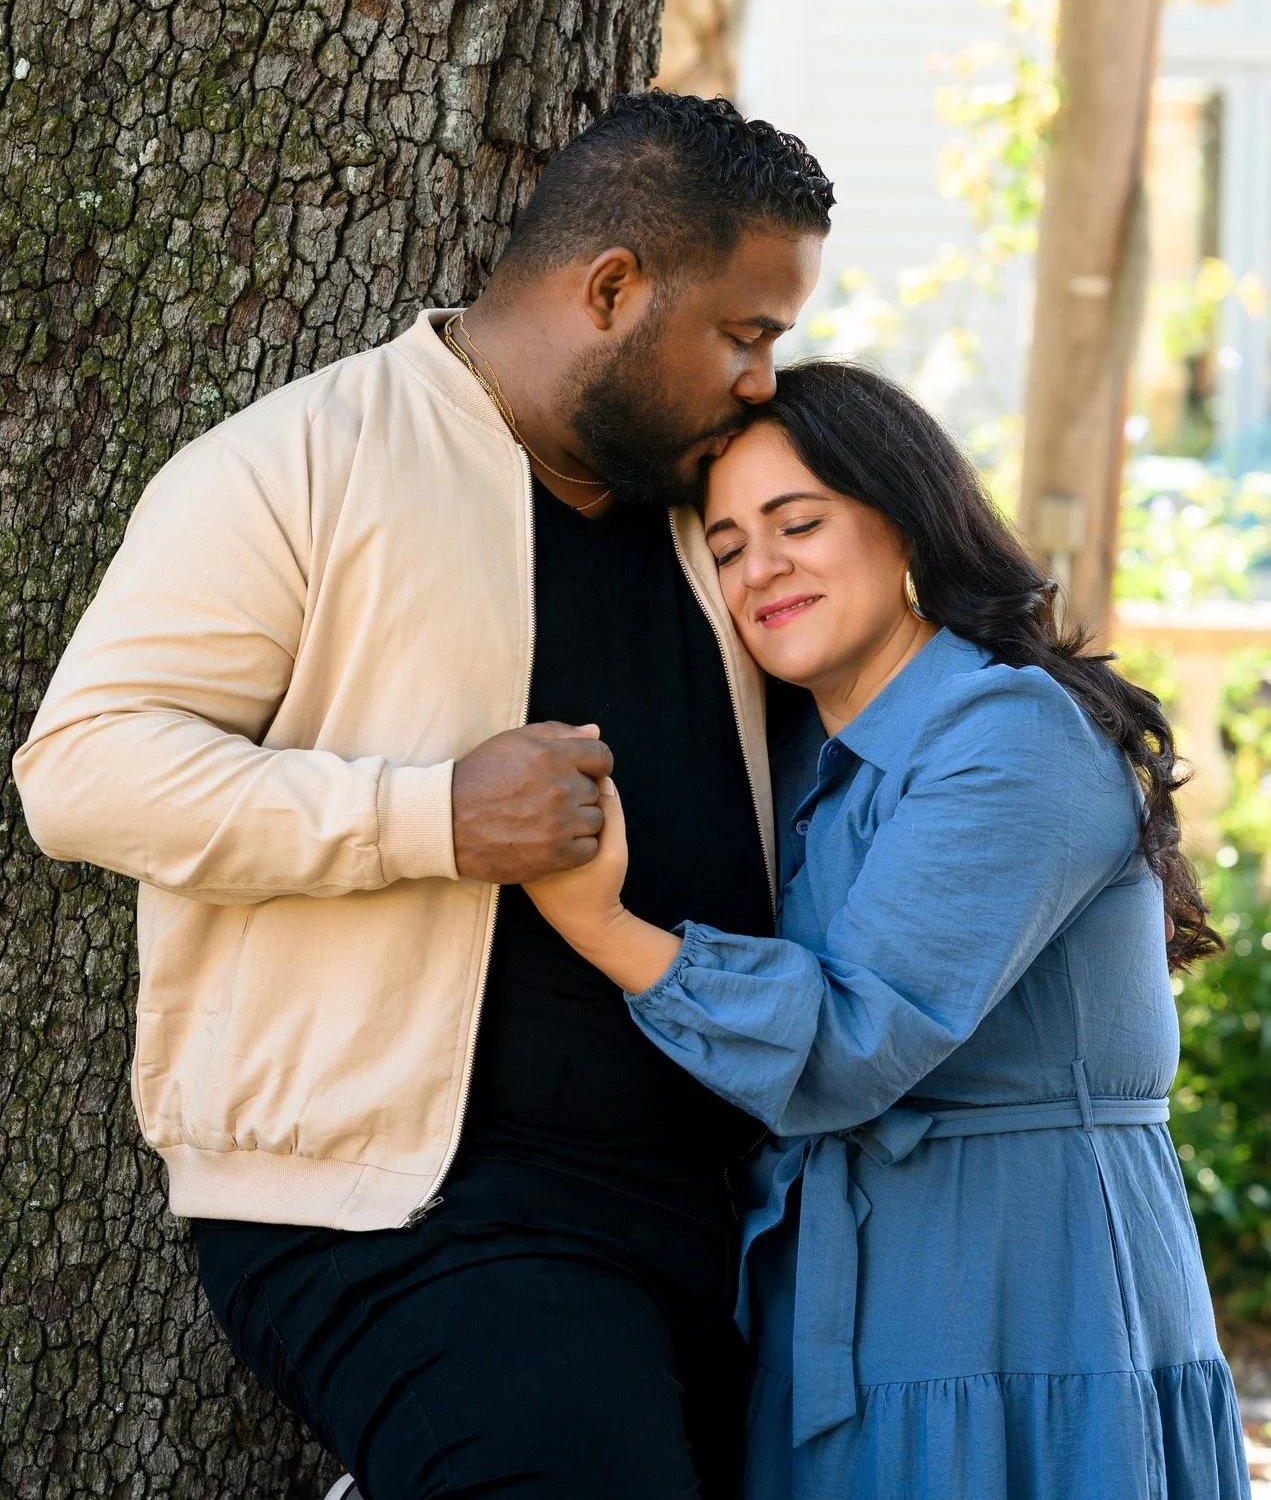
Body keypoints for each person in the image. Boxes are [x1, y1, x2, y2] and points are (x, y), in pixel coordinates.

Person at [13, 91, 833, 1498]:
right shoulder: (299, 464)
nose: (761, 380)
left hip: (730, 1216)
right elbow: (80, 769)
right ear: (612, 290)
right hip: (410, 1214)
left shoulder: (728, 511)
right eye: (743, 335)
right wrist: (426, 817)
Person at [525, 360, 1253, 1500]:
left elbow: (855, 1039)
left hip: (1025, 1296)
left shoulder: (1006, 731)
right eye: (723, 547)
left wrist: (597, 923)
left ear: (901, 514)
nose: (759, 567)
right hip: (838, 1307)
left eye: (795, 522)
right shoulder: (789, 757)